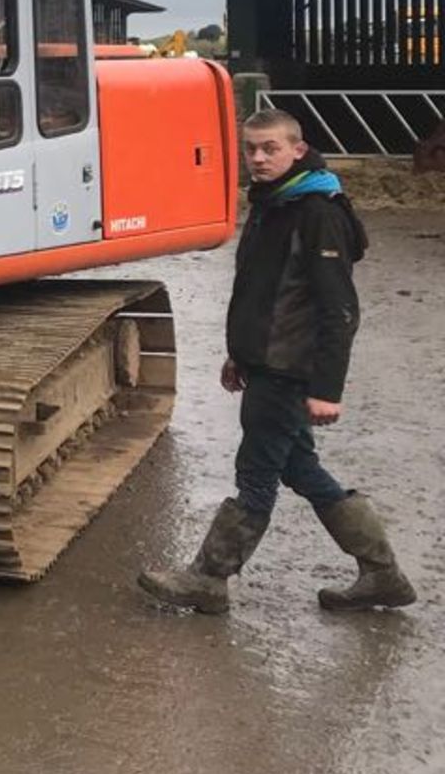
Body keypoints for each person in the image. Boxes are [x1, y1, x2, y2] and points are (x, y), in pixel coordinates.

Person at [138, 108, 415, 614]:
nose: (259, 159)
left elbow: (340, 310)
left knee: (257, 472)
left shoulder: (317, 212)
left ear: (298, 149)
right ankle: (382, 575)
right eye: (251, 150)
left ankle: (209, 578)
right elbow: (262, 293)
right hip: (266, 362)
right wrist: (238, 355)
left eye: (271, 148)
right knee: (300, 467)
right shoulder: (273, 203)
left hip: (290, 370)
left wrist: (327, 389)